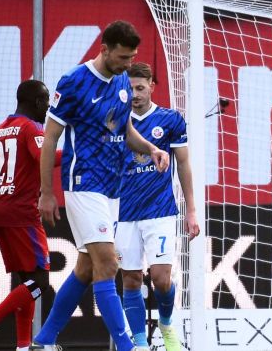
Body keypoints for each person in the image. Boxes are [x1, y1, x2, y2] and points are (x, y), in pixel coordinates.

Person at [31, 21, 170, 351]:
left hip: (113, 188)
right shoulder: (75, 82)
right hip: (84, 183)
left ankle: (45, 339)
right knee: (108, 264)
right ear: (104, 49)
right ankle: (127, 347)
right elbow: (50, 138)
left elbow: (125, 130)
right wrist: (47, 192)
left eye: (131, 57)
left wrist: (150, 148)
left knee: (85, 268)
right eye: (123, 57)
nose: (127, 64)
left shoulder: (122, 80)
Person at [116, 62, 200, 351]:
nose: (135, 94)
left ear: (152, 86)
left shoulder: (170, 119)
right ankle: (139, 344)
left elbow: (185, 164)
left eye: (140, 87)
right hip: (123, 213)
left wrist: (191, 210)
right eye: (130, 88)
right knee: (131, 279)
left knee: (162, 279)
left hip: (160, 211)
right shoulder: (116, 120)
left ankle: (165, 324)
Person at [0, 80, 56, 351]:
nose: (48, 107)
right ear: (37, 103)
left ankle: (22, 346)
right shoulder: (31, 128)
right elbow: (45, 157)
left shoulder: (0, 129)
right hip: (22, 213)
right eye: (45, 101)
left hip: (0, 209)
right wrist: (78, 156)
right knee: (41, 282)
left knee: (26, 282)